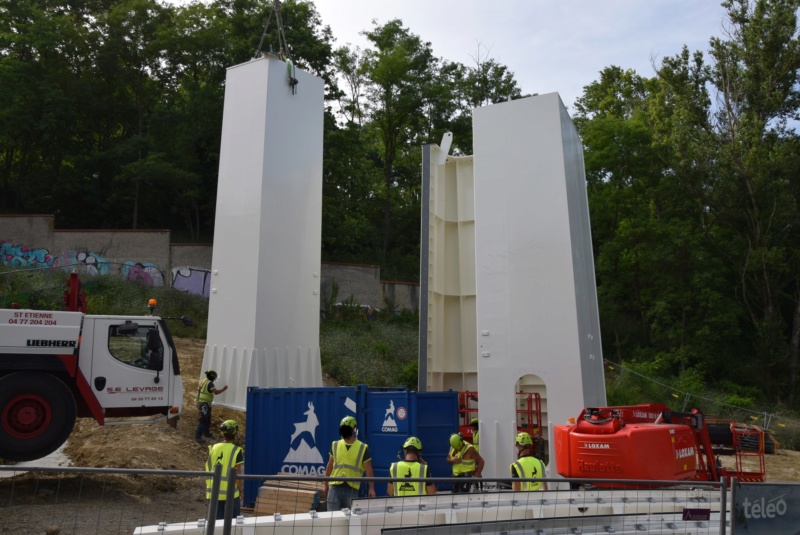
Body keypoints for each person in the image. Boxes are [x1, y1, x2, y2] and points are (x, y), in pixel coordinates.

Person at [323, 416, 377, 510]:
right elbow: (330, 465)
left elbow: (369, 470)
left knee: (350, 520)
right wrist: (325, 484)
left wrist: (371, 488)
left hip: (351, 489)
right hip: (335, 488)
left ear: (353, 430)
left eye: (346, 429)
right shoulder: (335, 445)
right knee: (333, 519)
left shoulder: (362, 447)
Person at [205, 420, 244, 519]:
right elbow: (238, 474)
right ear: (235, 433)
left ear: (222, 433)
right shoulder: (236, 450)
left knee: (216, 526)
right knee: (232, 525)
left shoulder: (213, 448)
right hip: (231, 494)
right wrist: (241, 491)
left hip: (214, 492)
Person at [196, 369, 229, 444]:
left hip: (203, 403)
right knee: (203, 420)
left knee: (207, 419)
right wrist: (224, 389)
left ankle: (206, 433)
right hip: (204, 404)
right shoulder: (210, 383)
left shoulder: (204, 380)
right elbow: (216, 392)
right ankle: (198, 436)